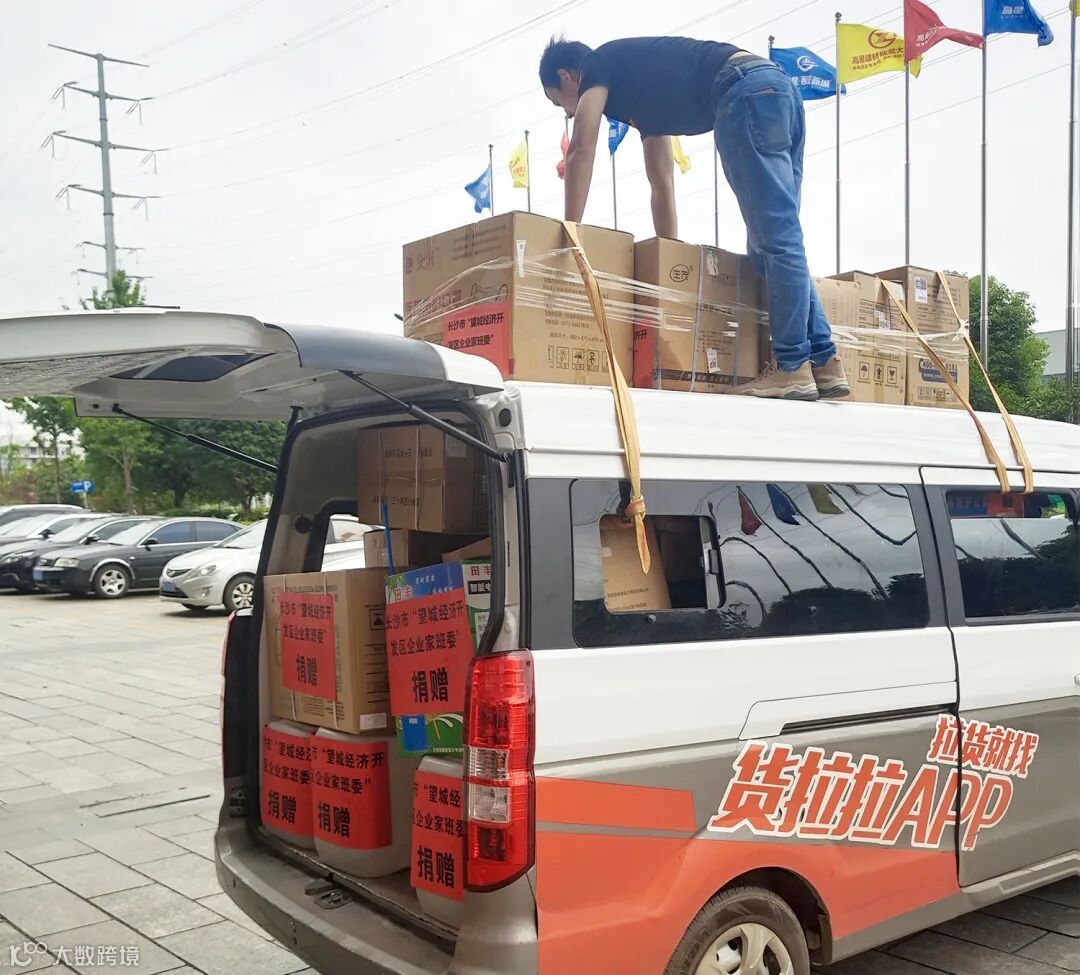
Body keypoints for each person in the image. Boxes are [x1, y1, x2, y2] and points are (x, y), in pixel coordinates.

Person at [539, 35, 848, 401]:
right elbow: (662, 184)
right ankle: (824, 362)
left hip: (745, 91)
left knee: (777, 238)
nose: (568, 113)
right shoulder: (642, 92)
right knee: (771, 242)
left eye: (558, 101)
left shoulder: (596, 65)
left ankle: (792, 366)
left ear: (567, 77)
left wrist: (570, 231)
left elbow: (581, 148)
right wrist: (667, 258)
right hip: (778, 92)